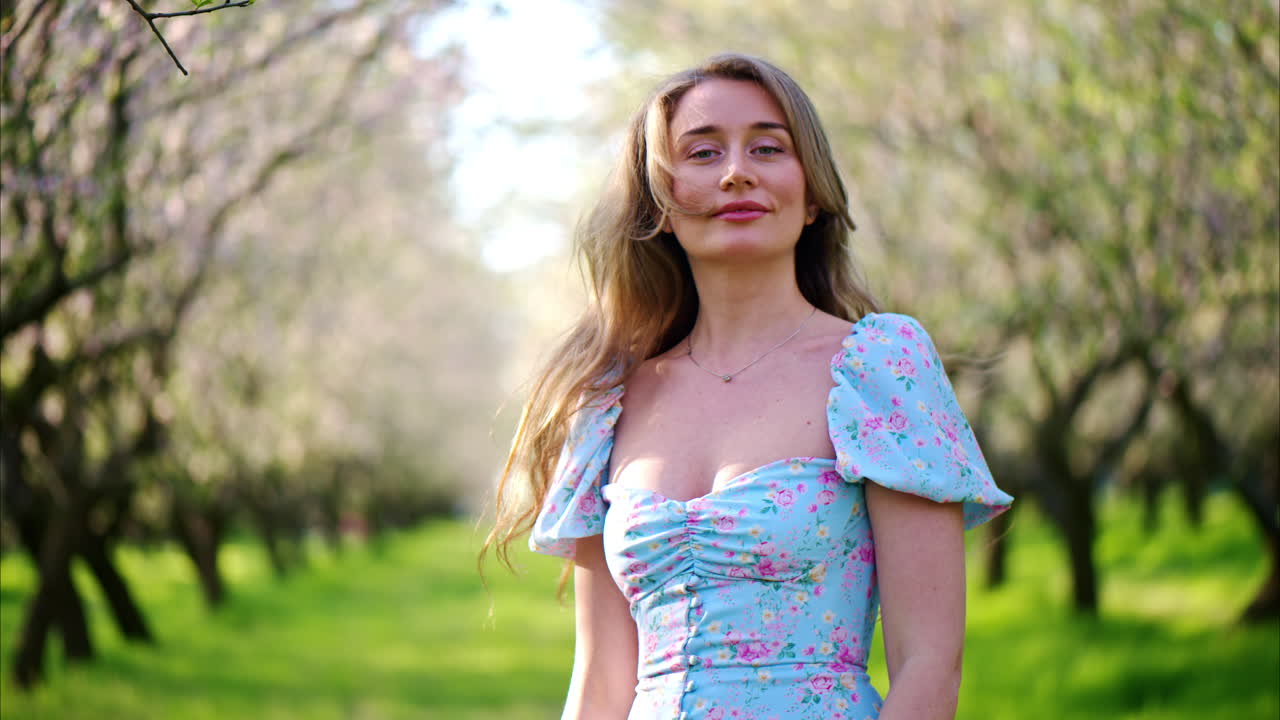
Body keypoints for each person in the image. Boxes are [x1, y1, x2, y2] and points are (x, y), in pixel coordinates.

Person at [485, 53, 1013, 720]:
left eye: (768, 147)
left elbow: (930, 666)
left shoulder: (880, 369)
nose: (737, 172)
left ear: (813, 191)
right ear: (662, 206)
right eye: (702, 154)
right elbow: (598, 683)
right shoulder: (608, 402)